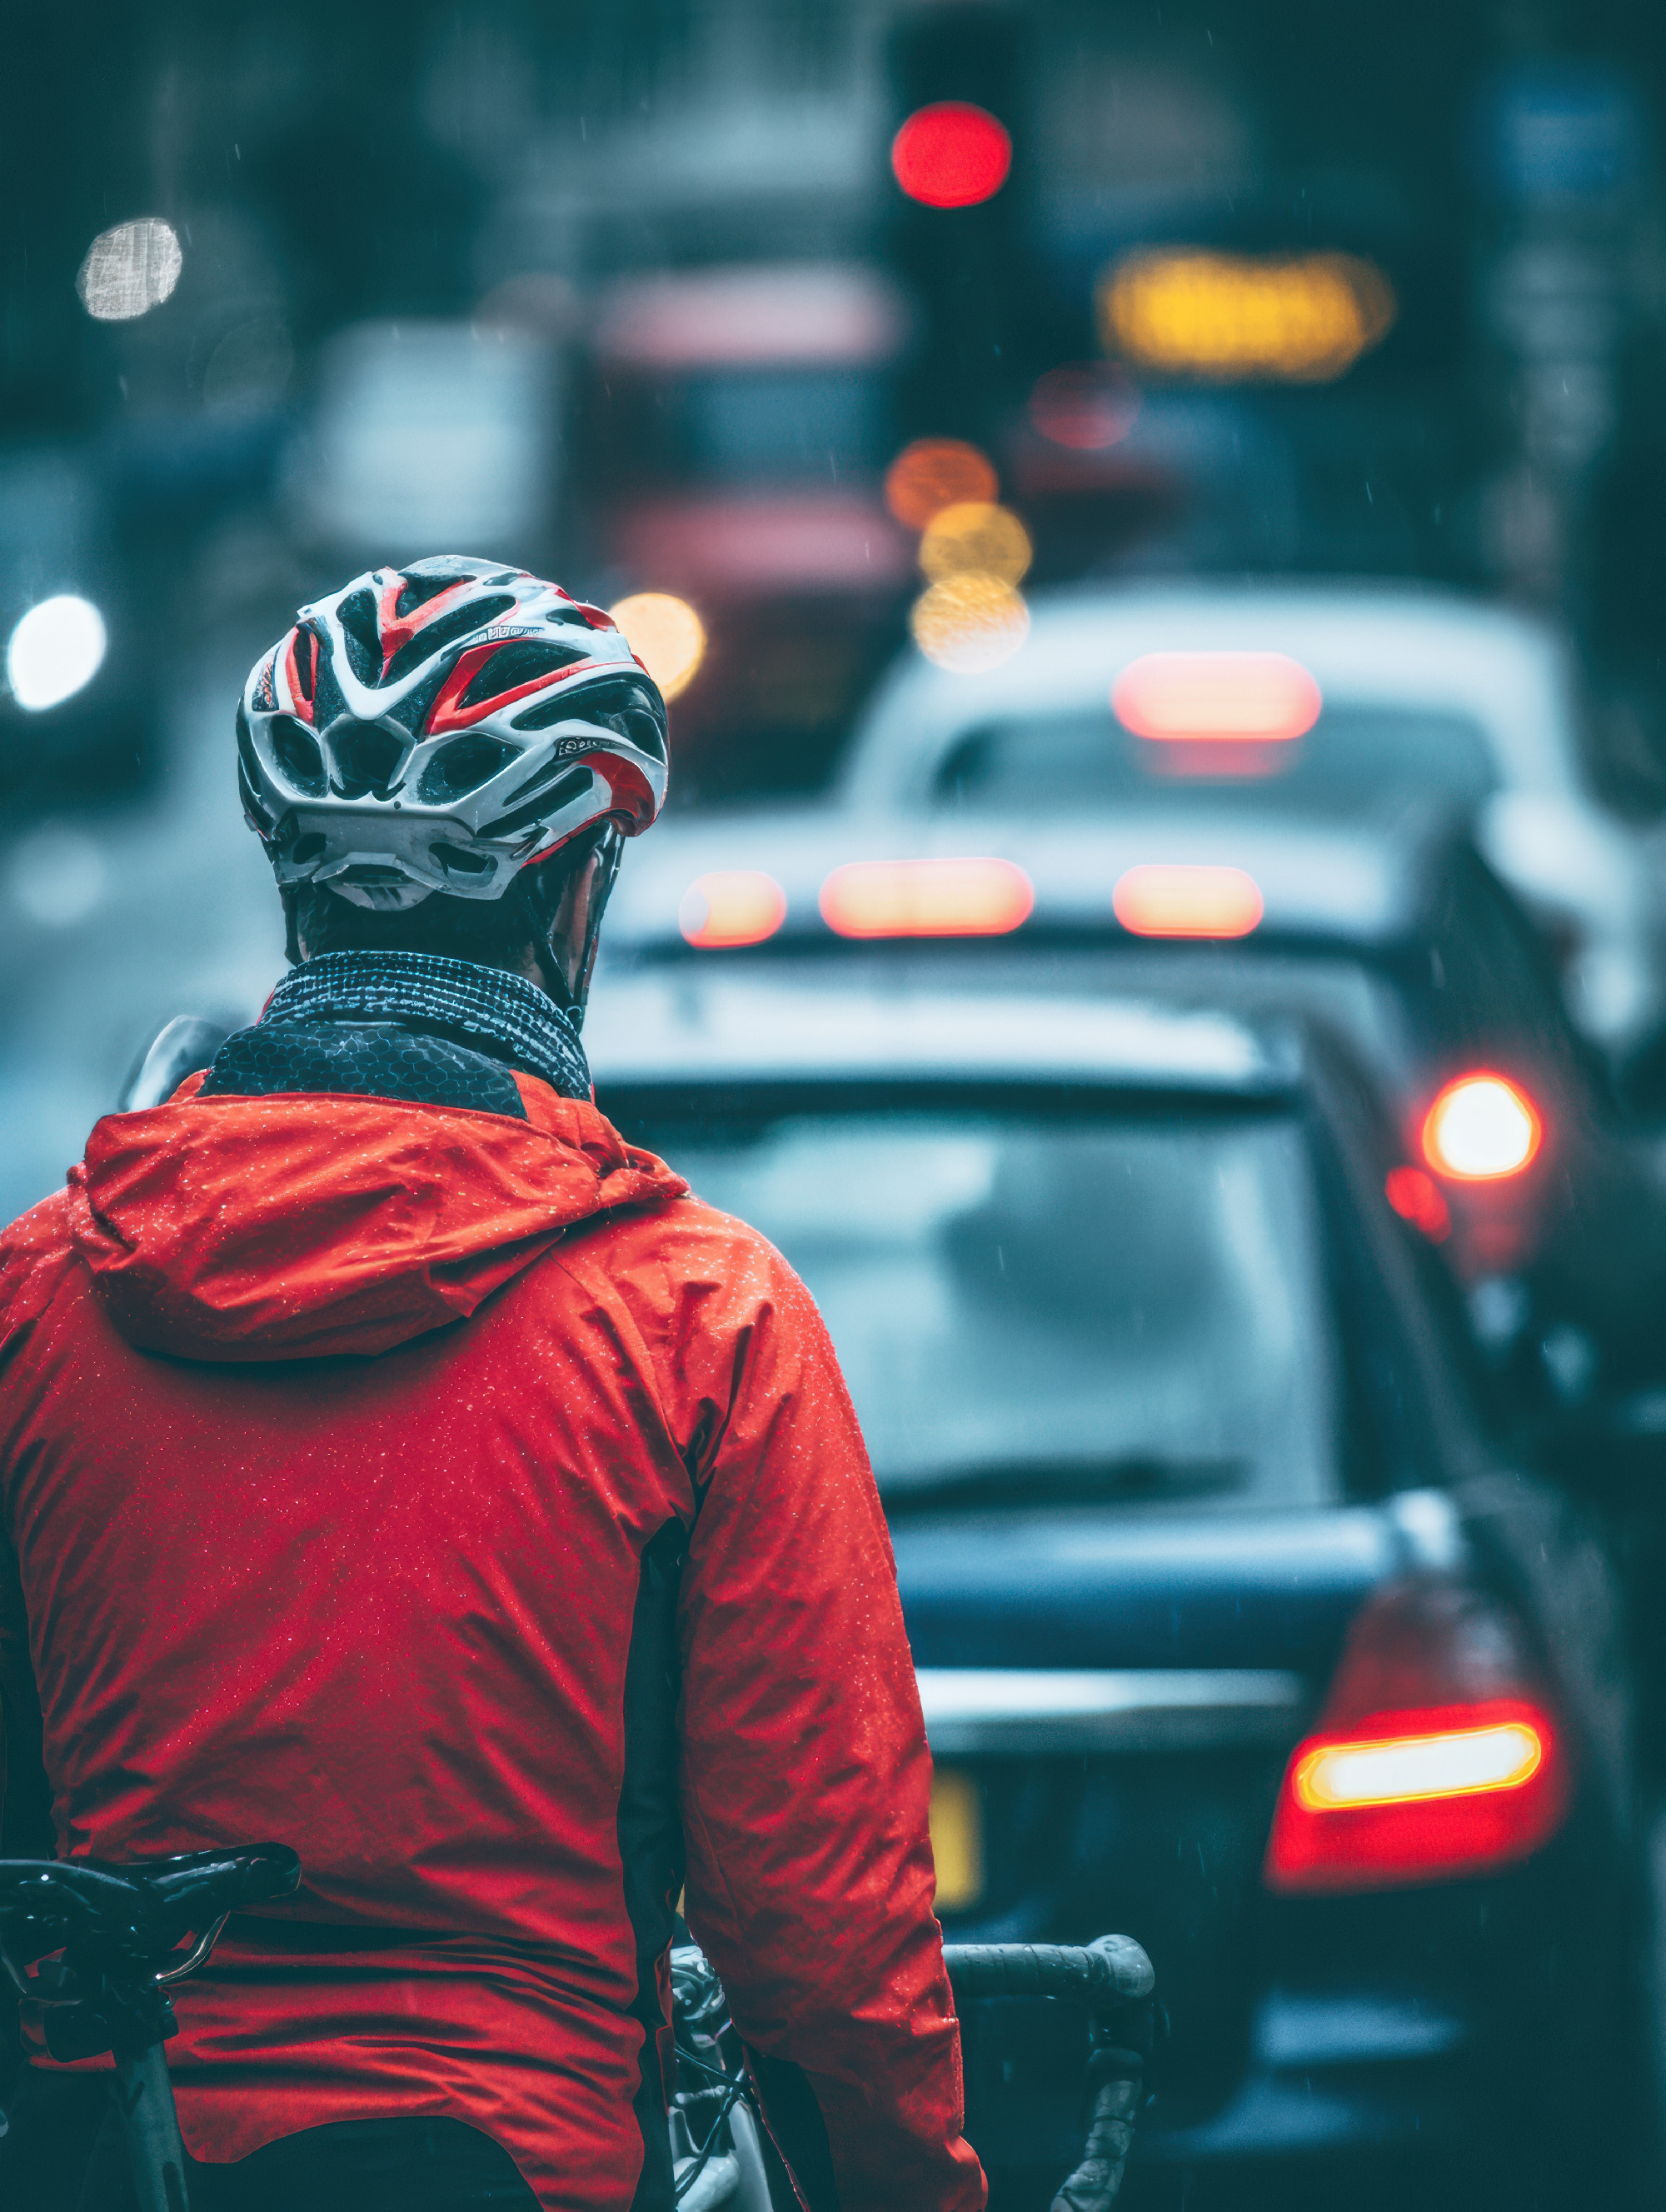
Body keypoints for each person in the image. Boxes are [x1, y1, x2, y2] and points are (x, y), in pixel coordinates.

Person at [0, 557, 986, 2212]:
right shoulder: (698, 1323)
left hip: (112, 2156)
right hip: (510, 2164)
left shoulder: (37, 1300)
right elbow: (820, 1938)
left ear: (295, 885)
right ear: (571, 898)